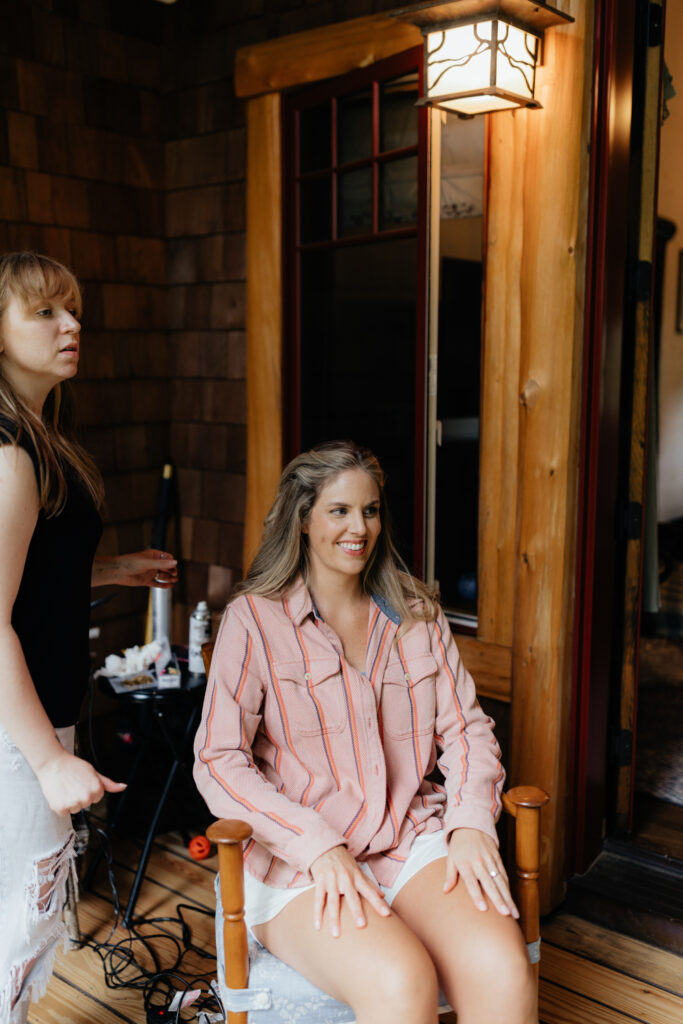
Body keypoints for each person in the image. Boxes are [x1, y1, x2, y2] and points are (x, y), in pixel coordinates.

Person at [194, 441, 536, 1024]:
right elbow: (218, 759)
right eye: (340, 511)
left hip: (408, 838)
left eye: (370, 510)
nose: (360, 528)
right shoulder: (255, 621)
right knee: (402, 983)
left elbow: (468, 731)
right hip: (301, 863)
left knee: (502, 968)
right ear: (303, 519)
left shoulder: (416, 614)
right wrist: (315, 842)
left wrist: (472, 823)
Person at [0, 251, 178, 1024]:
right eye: (44, 312)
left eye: (72, 309)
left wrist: (113, 567)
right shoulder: (9, 454)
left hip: (36, 709)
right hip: (15, 730)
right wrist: (48, 760)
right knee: (15, 929)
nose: (71, 325)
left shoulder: (37, 434)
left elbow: (33, 576)